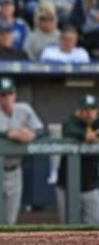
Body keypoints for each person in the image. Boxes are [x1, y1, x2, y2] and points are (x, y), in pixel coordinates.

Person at [0, 77, 45, 224]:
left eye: (9, 94)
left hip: (15, 170)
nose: (7, 98)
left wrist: (32, 134)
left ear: (14, 95)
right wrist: (9, 134)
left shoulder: (24, 109)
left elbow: (42, 130)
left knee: (10, 220)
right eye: (3, 94)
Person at [56, 94, 99, 224]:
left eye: (92, 109)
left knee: (94, 225)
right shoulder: (71, 122)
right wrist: (87, 136)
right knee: (68, 227)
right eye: (85, 110)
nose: (89, 114)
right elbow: (68, 130)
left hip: (90, 186)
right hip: (67, 186)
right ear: (79, 111)